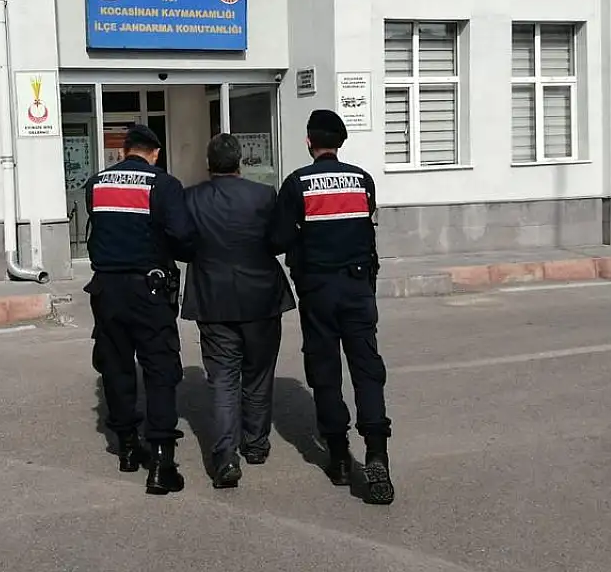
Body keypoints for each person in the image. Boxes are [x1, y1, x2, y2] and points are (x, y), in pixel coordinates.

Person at [269, 109, 395, 506]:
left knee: (325, 371)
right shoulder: (362, 180)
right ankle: (376, 454)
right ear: (340, 142)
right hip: (358, 287)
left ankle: (339, 457)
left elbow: (277, 239)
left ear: (309, 141)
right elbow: (368, 235)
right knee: (367, 370)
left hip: (318, 290)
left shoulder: (297, 183)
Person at [83, 124, 196, 496]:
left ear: (123, 151)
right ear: (156, 153)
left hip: (106, 291)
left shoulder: (96, 184)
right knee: (160, 369)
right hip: (150, 290)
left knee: (116, 367)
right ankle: (162, 463)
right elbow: (182, 237)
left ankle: (128, 449)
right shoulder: (164, 185)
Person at [181, 133, 295, 490]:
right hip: (261, 297)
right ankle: (256, 445)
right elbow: (279, 240)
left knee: (223, 380)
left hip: (213, 298)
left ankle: (226, 457)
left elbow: (181, 243)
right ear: (240, 161)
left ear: (208, 164)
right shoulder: (263, 195)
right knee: (258, 374)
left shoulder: (191, 197)